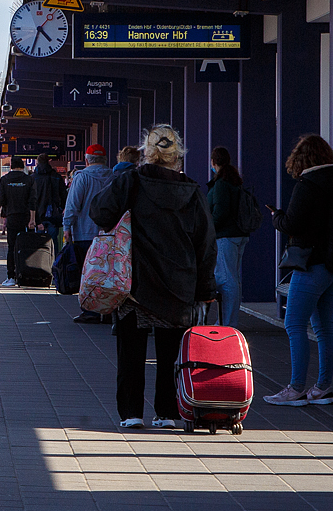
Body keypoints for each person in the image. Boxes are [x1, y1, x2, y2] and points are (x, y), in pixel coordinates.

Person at [90, 125, 217, 429]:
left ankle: (132, 414)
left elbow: (100, 213)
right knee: (171, 354)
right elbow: (206, 243)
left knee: (130, 352)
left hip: (135, 284)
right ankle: (168, 413)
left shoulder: (131, 181)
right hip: (178, 285)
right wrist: (205, 289)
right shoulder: (192, 191)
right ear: (178, 155)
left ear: (146, 152)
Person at [264, 133, 333, 406]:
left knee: (294, 323)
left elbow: (292, 224)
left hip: (311, 263)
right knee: (325, 329)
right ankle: (323, 388)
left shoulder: (307, 185)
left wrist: (276, 217)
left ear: (302, 159)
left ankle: (296, 388)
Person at [62, 144, 115, 324]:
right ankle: (107, 310)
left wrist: (67, 227)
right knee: (107, 274)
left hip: (84, 234)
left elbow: (73, 205)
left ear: (86, 160)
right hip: (109, 235)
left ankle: (90, 311)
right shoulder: (114, 177)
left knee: (88, 274)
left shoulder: (82, 177)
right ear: (105, 160)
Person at [206, 145, 248, 328]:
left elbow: (220, 213)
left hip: (225, 237)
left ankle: (228, 323)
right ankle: (227, 320)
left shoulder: (221, 184)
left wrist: (208, 229)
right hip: (238, 235)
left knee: (226, 279)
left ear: (214, 162)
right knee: (233, 278)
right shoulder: (234, 181)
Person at [0, 156, 35, 287]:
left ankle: (11, 277)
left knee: (11, 247)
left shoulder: (4, 180)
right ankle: (25, 274)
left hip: (12, 217)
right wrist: (33, 220)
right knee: (25, 246)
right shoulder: (29, 180)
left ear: (11, 166)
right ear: (22, 166)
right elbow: (33, 201)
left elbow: (1, 199)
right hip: (26, 218)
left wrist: (8, 207)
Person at [32, 154, 68, 252]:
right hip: (54, 214)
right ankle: (54, 263)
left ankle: (40, 262)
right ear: (48, 162)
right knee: (53, 241)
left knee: (39, 241)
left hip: (38, 215)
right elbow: (64, 195)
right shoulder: (56, 177)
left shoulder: (33, 178)